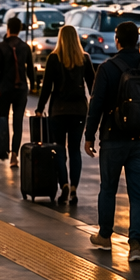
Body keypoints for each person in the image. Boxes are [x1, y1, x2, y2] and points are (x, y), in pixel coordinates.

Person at [85, 21, 140, 263]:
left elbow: (96, 105)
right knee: (137, 192)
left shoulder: (107, 68)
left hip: (113, 137)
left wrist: (89, 135)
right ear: (137, 40)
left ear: (117, 40)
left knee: (108, 188)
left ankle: (105, 236)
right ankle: (135, 245)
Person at [36, 24, 96, 205]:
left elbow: (46, 87)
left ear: (60, 38)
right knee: (75, 149)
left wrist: (40, 108)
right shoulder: (84, 59)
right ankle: (74, 189)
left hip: (58, 111)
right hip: (78, 110)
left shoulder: (54, 58)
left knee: (59, 148)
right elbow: (93, 87)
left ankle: (63, 183)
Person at [0, 16, 35, 168]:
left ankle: (4, 150)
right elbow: (30, 69)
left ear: (8, 28)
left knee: (3, 120)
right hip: (20, 89)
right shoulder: (25, 47)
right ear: (19, 29)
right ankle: (14, 154)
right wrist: (33, 85)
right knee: (18, 122)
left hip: (4, 89)